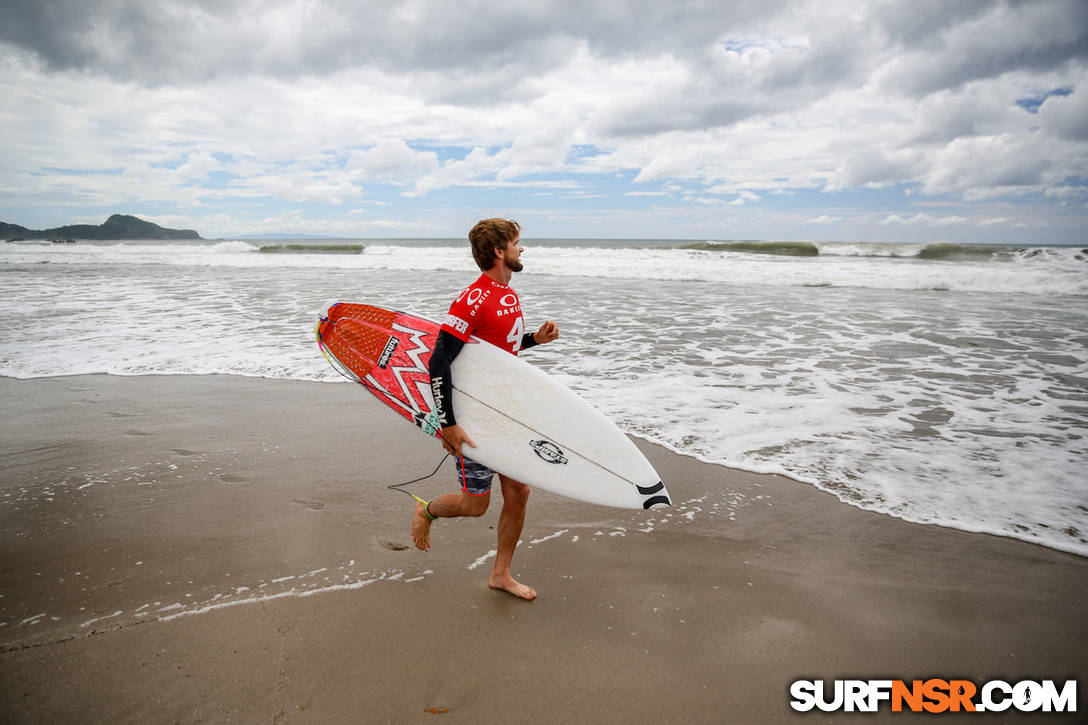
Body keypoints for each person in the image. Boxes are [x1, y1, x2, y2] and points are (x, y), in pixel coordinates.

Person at [412, 218, 559, 601]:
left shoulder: (507, 293)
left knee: (519, 491)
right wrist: (449, 424)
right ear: (499, 252)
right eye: (516, 243)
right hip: (474, 417)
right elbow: (439, 361)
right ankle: (427, 511)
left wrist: (533, 340)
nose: (521, 249)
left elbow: (495, 354)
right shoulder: (472, 299)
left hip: (505, 411)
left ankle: (501, 574)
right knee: (474, 505)